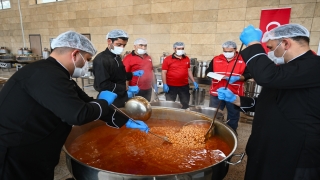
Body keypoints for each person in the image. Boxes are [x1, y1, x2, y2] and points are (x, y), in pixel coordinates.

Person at [0, 31, 149, 180]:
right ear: (75, 54)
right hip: (16, 153)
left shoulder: (56, 73)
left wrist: (125, 120)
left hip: (37, 148)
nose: (87, 65)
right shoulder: (45, 74)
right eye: (87, 59)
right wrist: (103, 102)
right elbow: (77, 115)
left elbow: (86, 101)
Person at [217, 24, 320, 180]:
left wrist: (253, 44)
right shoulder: (289, 69)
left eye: (271, 48)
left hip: (295, 155)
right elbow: (272, 102)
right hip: (270, 146)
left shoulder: (314, 65)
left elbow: (267, 76)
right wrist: (237, 100)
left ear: (286, 43)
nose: (270, 53)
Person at [205, 41, 251, 132]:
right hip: (217, 92)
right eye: (225, 51)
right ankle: (213, 132)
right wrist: (214, 75)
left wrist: (238, 77)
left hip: (234, 93)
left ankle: (231, 133)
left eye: (229, 51)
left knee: (233, 116)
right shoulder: (216, 59)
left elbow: (249, 74)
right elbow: (208, 72)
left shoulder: (243, 60)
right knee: (214, 114)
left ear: (235, 50)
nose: (227, 53)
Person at [92, 29, 144, 107]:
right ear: (109, 41)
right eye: (119, 44)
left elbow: (118, 74)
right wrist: (127, 88)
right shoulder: (101, 59)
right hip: (110, 99)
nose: (122, 48)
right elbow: (103, 85)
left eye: (124, 45)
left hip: (121, 96)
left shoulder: (116, 56)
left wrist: (132, 74)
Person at [161, 42, 198, 109]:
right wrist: (165, 84)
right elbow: (163, 72)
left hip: (184, 86)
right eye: (179, 48)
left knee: (185, 104)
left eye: (182, 48)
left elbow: (189, 70)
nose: (181, 50)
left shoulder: (186, 58)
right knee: (170, 105)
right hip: (171, 86)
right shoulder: (168, 59)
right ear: (174, 49)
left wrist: (193, 81)